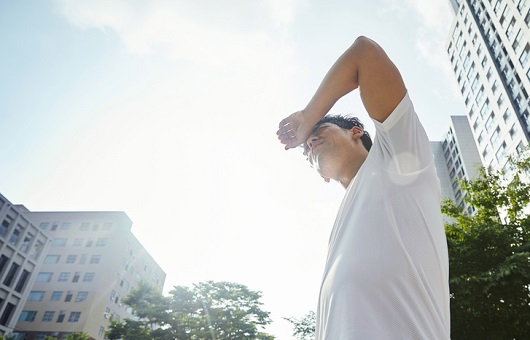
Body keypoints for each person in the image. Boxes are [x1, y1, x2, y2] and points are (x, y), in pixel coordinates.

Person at [277, 36, 450, 339]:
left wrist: (308, 116)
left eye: (319, 131)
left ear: (356, 132)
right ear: (322, 177)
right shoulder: (340, 232)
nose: (310, 142)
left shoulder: (398, 159)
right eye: (306, 151)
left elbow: (364, 54)